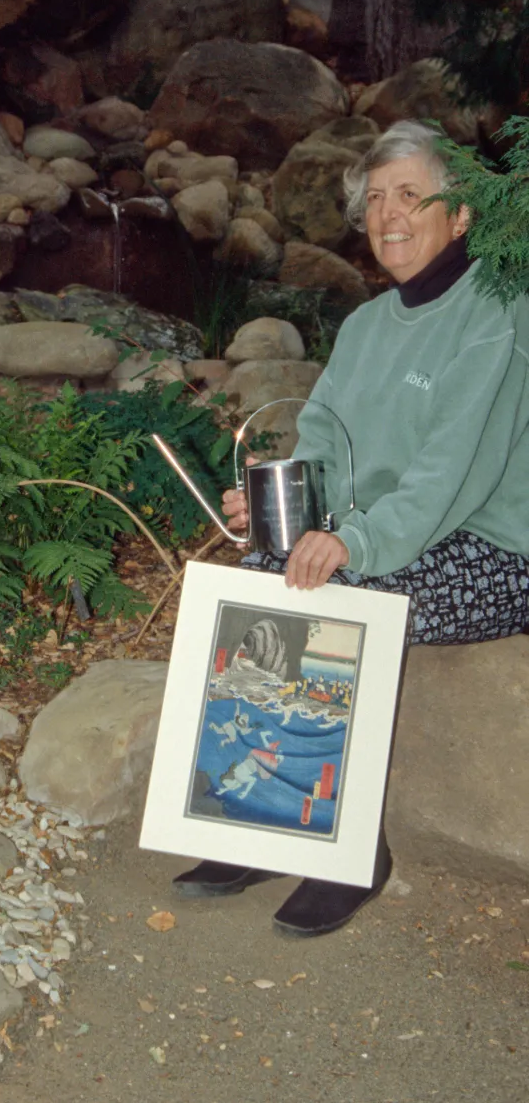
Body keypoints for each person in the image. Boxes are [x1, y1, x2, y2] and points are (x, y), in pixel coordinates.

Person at [173, 119, 529, 934]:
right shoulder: (368, 326)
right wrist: (281, 510)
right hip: (392, 536)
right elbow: (324, 444)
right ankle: (258, 816)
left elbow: (451, 472)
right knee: (257, 579)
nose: (388, 214)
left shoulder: (500, 312)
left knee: (350, 594)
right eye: (374, 199)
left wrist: (351, 543)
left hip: (496, 552)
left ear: (461, 215)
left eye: (410, 195)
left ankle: (350, 845)